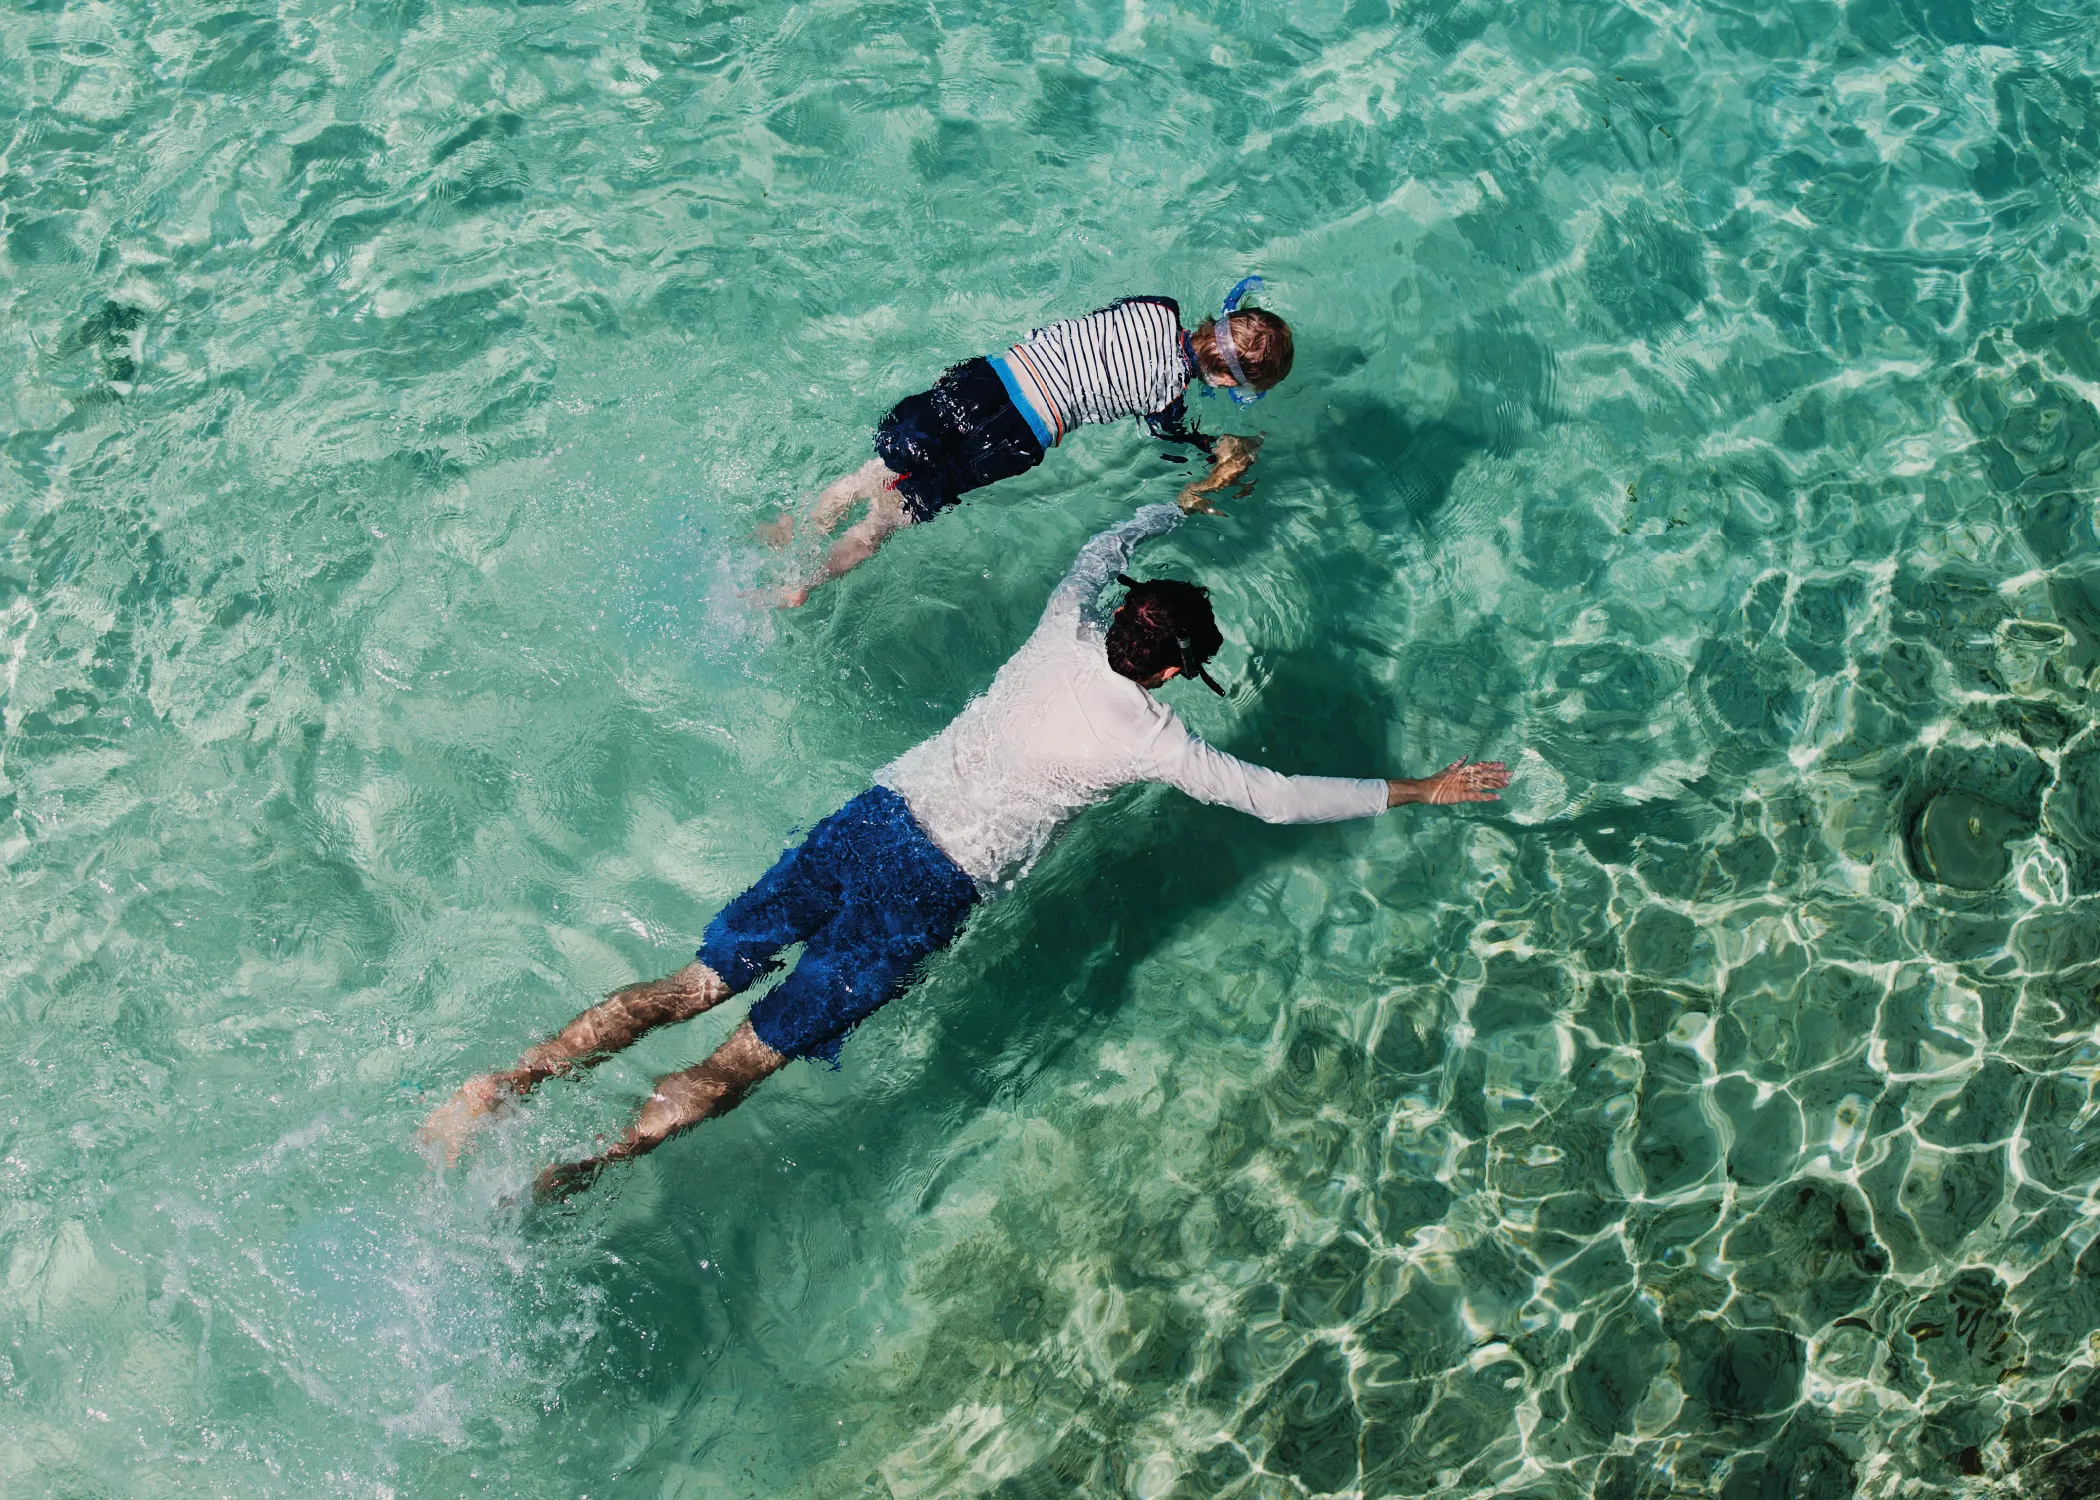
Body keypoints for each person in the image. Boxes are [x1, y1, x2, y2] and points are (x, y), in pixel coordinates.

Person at [421, 505, 1508, 1197]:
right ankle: (592, 1164)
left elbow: (1096, 552)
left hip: (871, 822)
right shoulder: (1153, 736)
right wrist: (1416, 787)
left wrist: (1182, 501)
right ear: (1171, 673)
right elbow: (1273, 800)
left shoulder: (1061, 629)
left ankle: (501, 1085)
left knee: (692, 982)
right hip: (927, 892)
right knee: (745, 1057)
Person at [762, 286, 1295, 605]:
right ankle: (804, 580)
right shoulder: (1169, 395)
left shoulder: (1158, 306)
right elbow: (1167, 436)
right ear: (1227, 382)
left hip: (988, 381)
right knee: (889, 517)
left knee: (872, 474)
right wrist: (1213, 447)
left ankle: (798, 528)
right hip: (1017, 437)